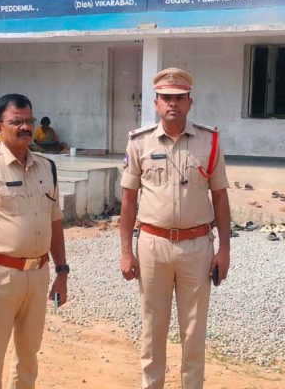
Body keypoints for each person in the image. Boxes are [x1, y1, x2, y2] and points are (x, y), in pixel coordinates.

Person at [119, 68, 231, 389]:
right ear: (156, 102)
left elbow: (220, 198)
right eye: (166, 98)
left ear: (189, 103)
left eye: (179, 98)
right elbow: (128, 201)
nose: (173, 104)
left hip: (197, 246)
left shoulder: (209, 142)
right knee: (152, 328)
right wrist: (126, 252)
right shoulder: (139, 143)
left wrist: (224, 250)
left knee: (194, 330)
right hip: (152, 245)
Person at [0, 94, 69, 389]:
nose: (25, 127)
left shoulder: (47, 168)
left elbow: (55, 222)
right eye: (16, 122)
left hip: (39, 274)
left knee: (28, 357)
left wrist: (62, 272)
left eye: (29, 121)